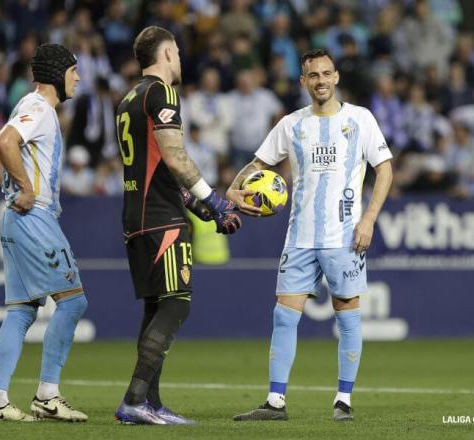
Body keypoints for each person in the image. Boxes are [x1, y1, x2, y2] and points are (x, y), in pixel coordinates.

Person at [229, 49, 393, 422]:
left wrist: (368, 219)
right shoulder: (291, 124)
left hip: (345, 235)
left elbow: (384, 170)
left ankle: (344, 400)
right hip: (299, 236)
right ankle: (275, 402)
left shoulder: (360, 119)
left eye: (325, 73)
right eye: (312, 75)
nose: (320, 80)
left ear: (335, 77)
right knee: (284, 316)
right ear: (303, 81)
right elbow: (258, 164)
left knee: (347, 314)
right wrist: (233, 190)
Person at [114, 26, 244, 425]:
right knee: (176, 305)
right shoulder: (162, 92)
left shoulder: (127, 99)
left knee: (156, 308)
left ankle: (149, 404)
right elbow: (174, 157)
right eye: (179, 54)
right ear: (168, 53)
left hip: (137, 216)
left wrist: (189, 200)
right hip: (161, 220)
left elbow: (150, 162)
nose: (182, 61)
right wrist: (213, 200)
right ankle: (135, 400)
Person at [0, 44, 88, 423]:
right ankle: (48, 395)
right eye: (74, 70)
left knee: (21, 311)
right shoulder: (40, 108)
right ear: (58, 73)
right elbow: (2, 145)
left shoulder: (28, 105)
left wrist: (10, 191)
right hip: (34, 217)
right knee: (74, 302)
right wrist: (25, 190)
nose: (78, 77)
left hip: (16, 218)